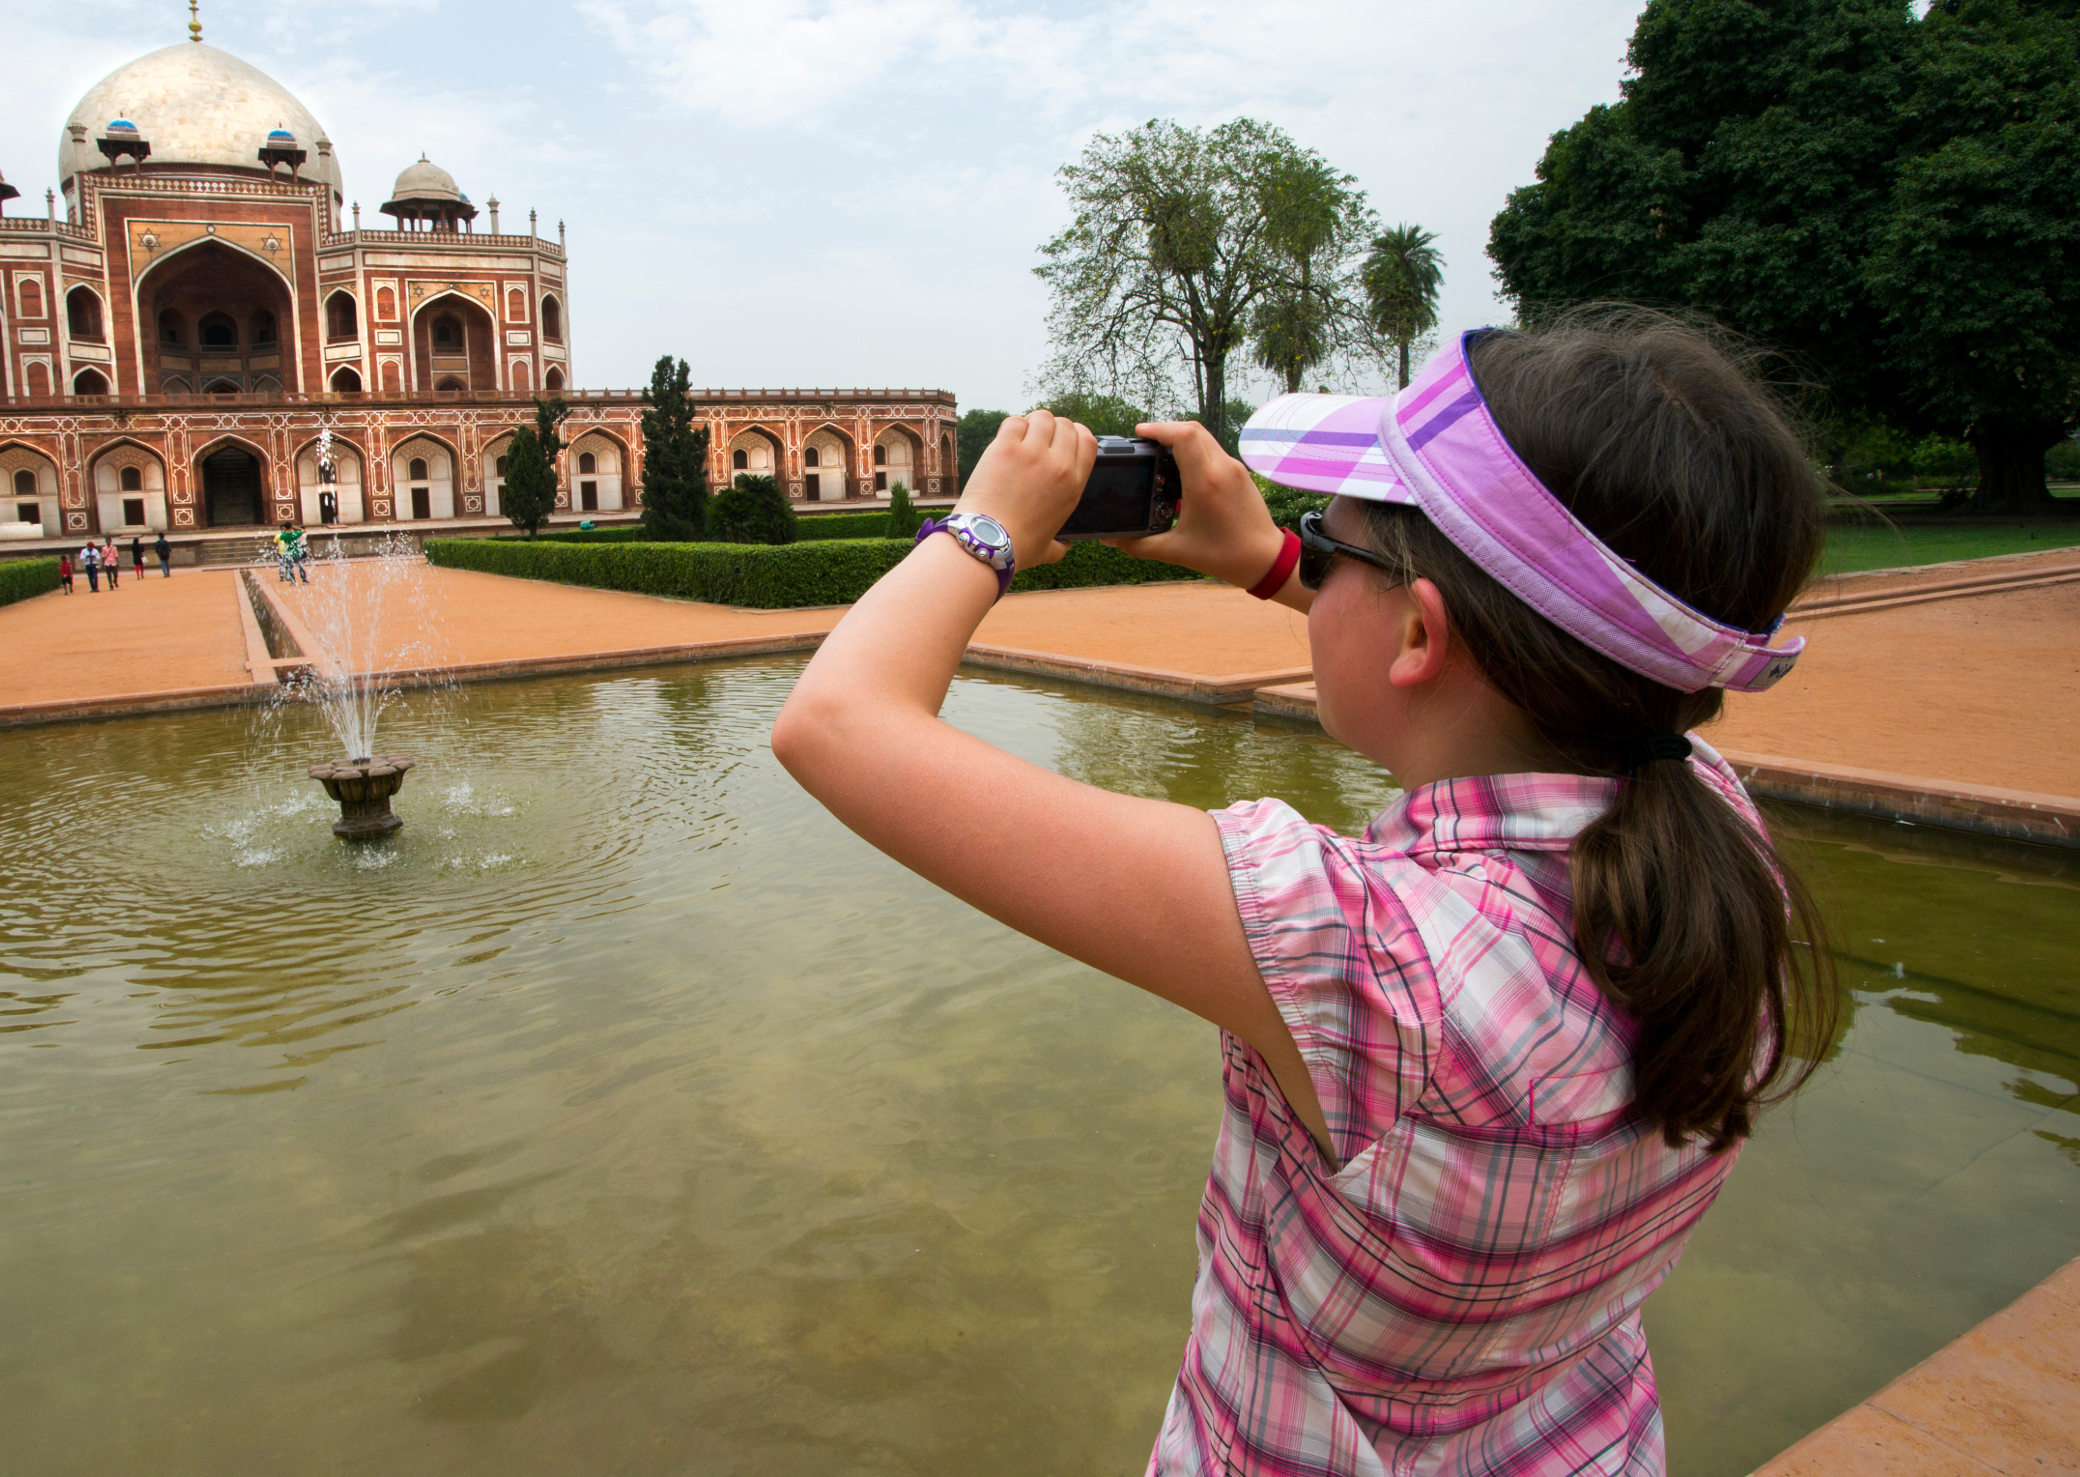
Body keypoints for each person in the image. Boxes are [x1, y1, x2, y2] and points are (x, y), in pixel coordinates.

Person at [771, 311, 1835, 1476]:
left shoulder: (1358, 954)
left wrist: (983, 528)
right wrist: (1276, 563)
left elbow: (837, 724)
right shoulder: (1716, 829)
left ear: (1420, 629)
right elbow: (1528, 668)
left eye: (1334, 542)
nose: (1312, 559)